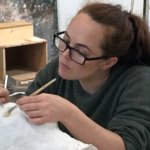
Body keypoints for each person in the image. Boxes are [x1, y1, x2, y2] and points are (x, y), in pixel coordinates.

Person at [1, 2, 150, 150]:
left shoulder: (139, 82)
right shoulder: (59, 68)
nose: (64, 55)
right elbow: (29, 116)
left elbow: (125, 146)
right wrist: (8, 108)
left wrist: (68, 114)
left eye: (80, 52)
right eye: (65, 40)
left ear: (108, 62)